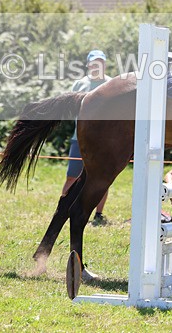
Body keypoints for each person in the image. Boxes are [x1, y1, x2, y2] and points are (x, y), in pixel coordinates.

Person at [62, 50, 112, 224]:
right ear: (88, 65)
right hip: (80, 139)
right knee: (72, 177)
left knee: (102, 179)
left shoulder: (111, 84)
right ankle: (63, 210)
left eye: (101, 62)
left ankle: (98, 214)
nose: (97, 65)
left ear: (105, 64)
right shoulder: (80, 84)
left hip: (104, 141)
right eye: (94, 62)